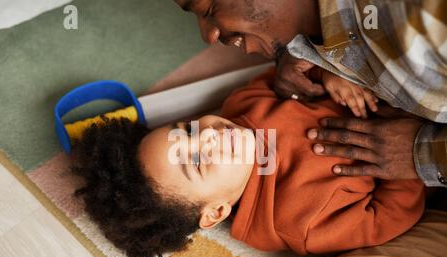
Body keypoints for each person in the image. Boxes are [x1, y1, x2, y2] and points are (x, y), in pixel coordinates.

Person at [71, 69, 424, 257]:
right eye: (197, 161)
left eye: (186, 130)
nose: (207, 136)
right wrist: (403, 157)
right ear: (216, 212)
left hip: (378, 77)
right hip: (417, 139)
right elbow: (386, 218)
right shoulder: (297, 223)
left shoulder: (243, 104)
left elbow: (291, 74)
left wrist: (328, 72)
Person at [173, 0, 447, 187]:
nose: (207, 36)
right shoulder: (304, 44)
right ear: (211, 215)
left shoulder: (422, 17)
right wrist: (303, 57)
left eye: (207, 7)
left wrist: (424, 154)